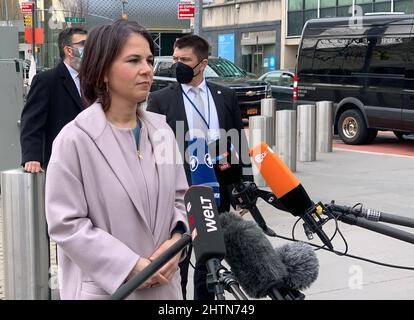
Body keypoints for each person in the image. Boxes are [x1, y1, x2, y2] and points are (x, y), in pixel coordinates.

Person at [45, 20, 189, 300]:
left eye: (149, 60)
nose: (147, 69)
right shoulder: (75, 139)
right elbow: (66, 224)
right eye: (133, 60)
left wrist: (176, 245)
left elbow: (180, 199)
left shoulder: (162, 132)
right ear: (102, 72)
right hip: (108, 290)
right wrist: (130, 265)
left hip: (165, 288)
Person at [147, 34, 253, 300]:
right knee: (177, 262)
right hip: (178, 194)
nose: (177, 65)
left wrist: (245, 185)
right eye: (175, 59)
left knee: (211, 264)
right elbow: (152, 151)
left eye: (185, 60)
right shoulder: (160, 100)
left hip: (216, 191)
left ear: (202, 63)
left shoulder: (224, 96)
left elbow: (238, 140)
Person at [20, 27, 88, 173]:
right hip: (61, 161)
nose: (90, 50)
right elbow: (32, 122)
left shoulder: (95, 81)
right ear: (68, 51)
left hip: (90, 160)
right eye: (83, 45)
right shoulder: (46, 81)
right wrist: (32, 156)